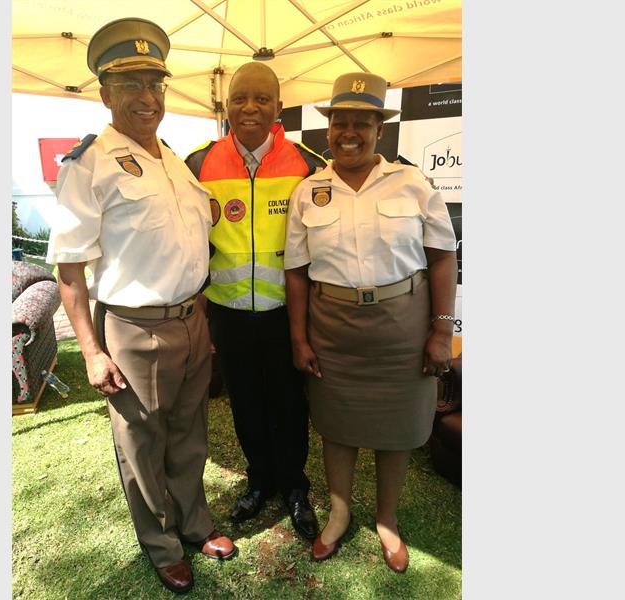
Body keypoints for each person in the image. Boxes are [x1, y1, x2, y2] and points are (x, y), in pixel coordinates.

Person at [45, 17, 234, 595]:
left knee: (189, 434)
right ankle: (162, 544)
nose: (147, 96)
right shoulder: (88, 164)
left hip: (191, 320)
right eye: (130, 84)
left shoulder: (170, 158)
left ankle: (195, 524)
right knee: (142, 444)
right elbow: (70, 269)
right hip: (135, 327)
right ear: (105, 93)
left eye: (155, 82)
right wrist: (92, 352)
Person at [284, 72, 457, 572]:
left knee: (397, 430)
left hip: (402, 328)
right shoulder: (309, 191)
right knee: (337, 428)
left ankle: (387, 519)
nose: (349, 133)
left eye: (362, 123)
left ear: (380, 130)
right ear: (328, 129)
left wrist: (441, 330)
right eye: (340, 122)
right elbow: (296, 272)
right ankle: (339, 513)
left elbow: (442, 256)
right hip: (332, 330)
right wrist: (298, 338)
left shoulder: (412, 184)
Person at [185, 62, 326, 542]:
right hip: (227, 314)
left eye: (261, 99)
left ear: (278, 107)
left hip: (287, 314)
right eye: (240, 98)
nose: (250, 107)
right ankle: (259, 480)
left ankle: (295, 487)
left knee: (289, 403)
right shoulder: (198, 165)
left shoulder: (307, 164)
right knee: (244, 402)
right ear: (226, 105)